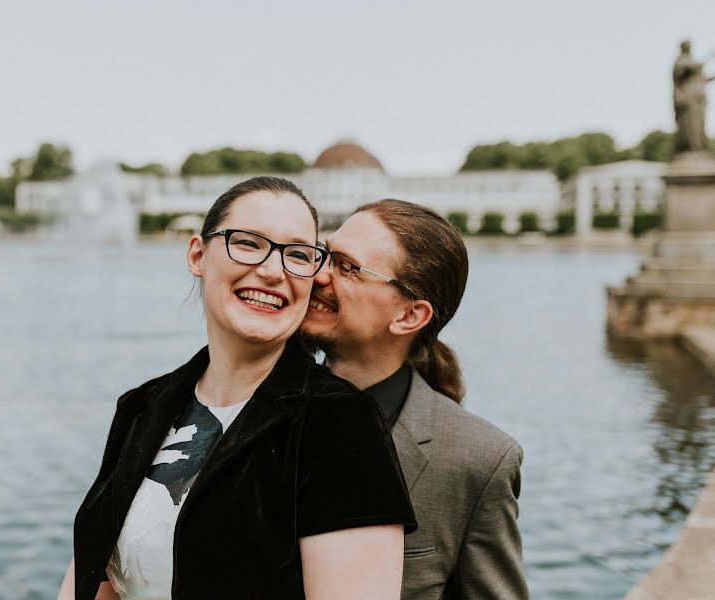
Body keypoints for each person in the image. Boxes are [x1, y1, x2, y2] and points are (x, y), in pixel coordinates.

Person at [59, 178, 416, 600]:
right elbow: (93, 579)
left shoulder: (340, 424)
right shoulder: (142, 406)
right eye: (247, 243)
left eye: (298, 254)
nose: (271, 270)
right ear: (197, 254)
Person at [302, 199, 528, 599]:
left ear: (408, 316)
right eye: (323, 254)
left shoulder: (478, 460)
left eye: (346, 266)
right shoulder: (251, 406)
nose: (316, 274)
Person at [673, 39, 715, 154]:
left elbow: (701, 79)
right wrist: (696, 66)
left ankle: (699, 147)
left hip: (698, 99)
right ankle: (690, 147)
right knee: (689, 124)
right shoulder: (681, 60)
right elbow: (681, 74)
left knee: (699, 123)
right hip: (688, 99)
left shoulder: (691, 61)